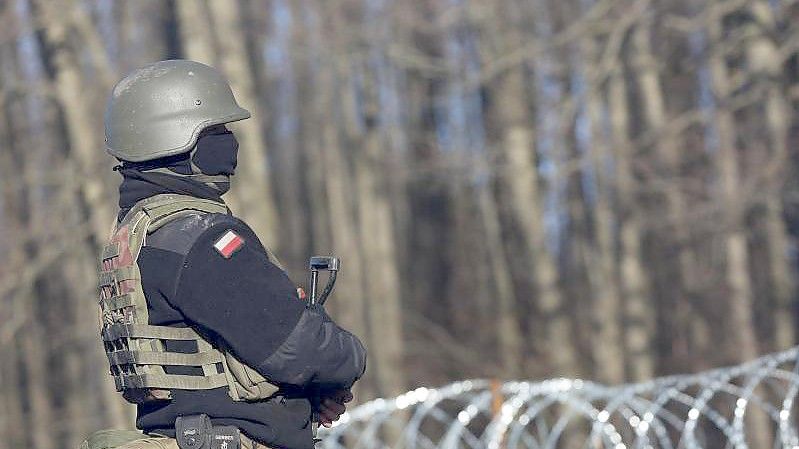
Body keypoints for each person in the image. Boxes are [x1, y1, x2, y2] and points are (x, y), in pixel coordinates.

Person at [92, 60, 366, 449]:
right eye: (216, 130)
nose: (228, 142)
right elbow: (299, 345)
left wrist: (303, 395)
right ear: (175, 136)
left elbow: (229, 358)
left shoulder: (141, 235)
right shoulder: (200, 238)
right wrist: (347, 360)